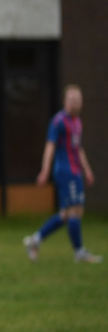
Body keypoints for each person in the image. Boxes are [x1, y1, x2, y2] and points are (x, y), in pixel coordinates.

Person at [24, 84, 102, 263]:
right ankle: (79, 252)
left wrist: (87, 169)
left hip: (75, 171)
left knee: (68, 214)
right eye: (72, 100)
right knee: (74, 211)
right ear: (65, 101)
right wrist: (45, 170)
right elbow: (50, 146)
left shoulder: (77, 122)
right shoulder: (59, 121)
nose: (76, 103)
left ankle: (35, 240)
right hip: (65, 171)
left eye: (78, 100)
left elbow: (78, 148)